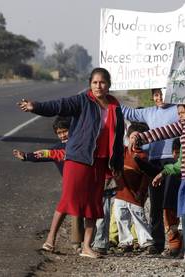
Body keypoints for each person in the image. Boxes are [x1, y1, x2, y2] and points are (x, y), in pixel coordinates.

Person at [17, 67, 124, 259]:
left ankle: (86, 247)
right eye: (95, 82)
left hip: (100, 162)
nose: (98, 86)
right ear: (90, 85)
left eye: (102, 82)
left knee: (93, 205)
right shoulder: (83, 101)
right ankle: (50, 240)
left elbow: (118, 138)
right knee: (68, 199)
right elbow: (59, 105)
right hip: (78, 158)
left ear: (109, 85)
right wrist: (37, 107)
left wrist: (116, 165)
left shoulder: (115, 107)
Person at [130, 101, 185, 271]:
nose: (183, 113)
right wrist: (140, 137)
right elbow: (163, 131)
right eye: (183, 109)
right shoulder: (184, 124)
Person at [12, 116, 85, 252]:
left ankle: (78, 243)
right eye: (59, 133)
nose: (62, 135)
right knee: (67, 209)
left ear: (72, 130)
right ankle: (55, 240)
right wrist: (26, 156)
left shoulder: (79, 144)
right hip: (69, 185)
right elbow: (44, 154)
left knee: (78, 212)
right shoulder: (58, 148)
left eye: (65, 131)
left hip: (84, 182)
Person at [121, 90, 180, 254]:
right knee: (155, 204)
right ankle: (158, 242)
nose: (159, 97)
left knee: (170, 204)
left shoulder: (179, 109)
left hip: (174, 161)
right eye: (156, 94)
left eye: (163, 93)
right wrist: (108, 100)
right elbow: (128, 112)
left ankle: (175, 243)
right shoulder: (148, 112)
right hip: (154, 161)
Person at [113, 123, 155, 252]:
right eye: (133, 137)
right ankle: (125, 242)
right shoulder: (122, 153)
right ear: (127, 137)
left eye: (139, 138)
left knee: (139, 218)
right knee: (121, 217)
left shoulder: (143, 157)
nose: (135, 140)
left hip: (135, 195)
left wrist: (141, 192)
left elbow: (146, 177)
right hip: (120, 193)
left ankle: (147, 242)